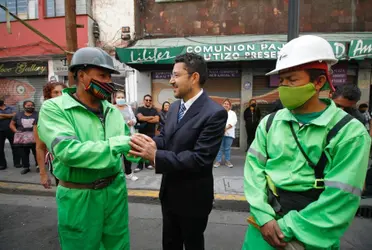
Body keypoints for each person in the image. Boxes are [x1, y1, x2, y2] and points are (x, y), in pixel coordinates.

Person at [242, 35, 371, 250]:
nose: (284, 87)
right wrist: (264, 217)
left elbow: (341, 197)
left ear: (319, 82)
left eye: (292, 80)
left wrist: (286, 228)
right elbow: (253, 172)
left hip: (311, 235)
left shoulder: (350, 133)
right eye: (281, 80)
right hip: (261, 231)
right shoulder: (270, 123)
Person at [37, 47, 136, 250]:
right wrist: (121, 144)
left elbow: (128, 146)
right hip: (79, 196)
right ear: (81, 75)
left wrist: (147, 149)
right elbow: (67, 151)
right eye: (102, 75)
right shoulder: (54, 108)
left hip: (115, 192)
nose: (108, 81)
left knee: (118, 245)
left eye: (109, 76)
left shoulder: (113, 111)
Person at [129, 53, 227, 250]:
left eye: (176, 75)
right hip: (169, 193)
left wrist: (154, 156)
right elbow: (165, 138)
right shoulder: (174, 108)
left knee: (193, 245)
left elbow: (200, 158)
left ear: (194, 77)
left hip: (194, 199)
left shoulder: (215, 113)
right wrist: (144, 144)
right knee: (170, 244)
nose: (171, 80)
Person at [34, 81, 67, 188]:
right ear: (49, 95)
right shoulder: (42, 117)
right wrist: (43, 174)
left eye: (62, 92)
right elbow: (40, 148)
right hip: (58, 164)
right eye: (55, 92)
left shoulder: (72, 112)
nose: (59, 95)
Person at [114, 90, 139, 181]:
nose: (120, 99)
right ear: (115, 98)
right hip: (117, 135)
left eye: (122, 97)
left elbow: (134, 118)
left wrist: (133, 122)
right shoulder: (112, 108)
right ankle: (116, 174)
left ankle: (128, 173)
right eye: (118, 97)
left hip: (128, 134)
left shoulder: (128, 107)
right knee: (116, 155)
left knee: (127, 155)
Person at [9, 100, 38, 175]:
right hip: (22, 138)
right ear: (24, 106)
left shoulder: (38, 114)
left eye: (32, 105)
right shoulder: (18, 115)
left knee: (37, 152)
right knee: (24, 153)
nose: (30, 107)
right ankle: (26, 167)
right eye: (28, 105)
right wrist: (16, 131)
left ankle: (38, 166)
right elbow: (11, 124)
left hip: (35, 137)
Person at [134, 94, 159, 172]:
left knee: (149, 148)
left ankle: (148, 164)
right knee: (140, 148)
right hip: (142, 132)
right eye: (146, 100)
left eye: (150, 100)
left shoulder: (154, 110)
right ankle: (140, 165)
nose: (148, 101)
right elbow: (140, 118)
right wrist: (151, 117)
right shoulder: (139, 109)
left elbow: (157, 120)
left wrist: (145, 119)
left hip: (151, 133)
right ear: (144, 101)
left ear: (151, 101)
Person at [214, 98, 237, 168]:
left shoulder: (233, 113)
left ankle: (227, 161)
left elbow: (234, 121)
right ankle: (218, 161)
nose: (226, 105)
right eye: (225, 104)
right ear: (222, 105)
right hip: (220, 133)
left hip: (229, 133)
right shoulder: (219, 112)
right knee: (220, 148)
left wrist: (225, 128)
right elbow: (216, 121)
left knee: (227, 148)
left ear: (230, 106)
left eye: (227, 104)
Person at [0, 97, 18, 170]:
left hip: (11, 130)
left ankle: (17, 163)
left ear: (3, 100)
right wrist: (9, 116)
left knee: (15, 147)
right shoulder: (10, 110)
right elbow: (12, 115)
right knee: (0, 149)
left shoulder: (11, 107)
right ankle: (2, 164)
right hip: (0, 131)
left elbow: (15, 115)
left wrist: (2, 115)